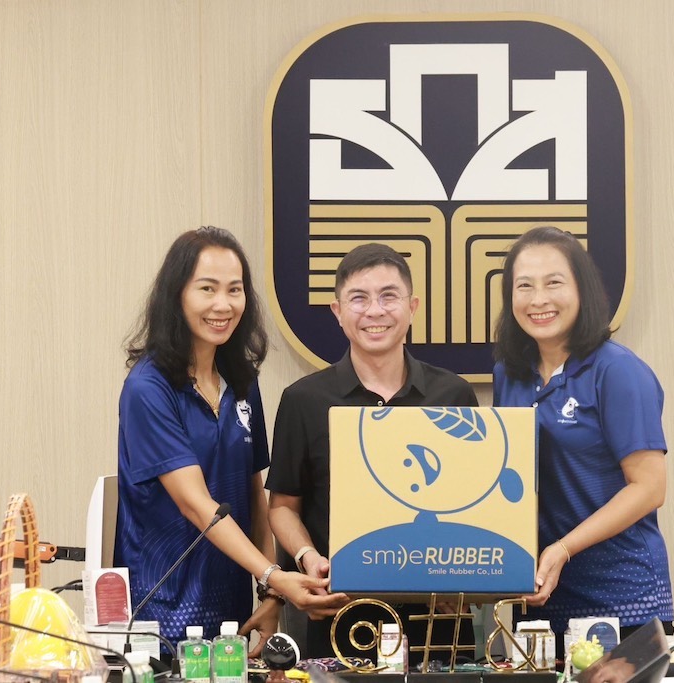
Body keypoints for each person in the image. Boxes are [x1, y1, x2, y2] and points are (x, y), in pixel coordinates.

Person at [115, 226, 347, 650]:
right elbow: (196, 504)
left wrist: (271, 593)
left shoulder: (241, 381)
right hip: (162, 614)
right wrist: (274, 574)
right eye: (207, 288)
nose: (223, 305)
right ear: (176, 295)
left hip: (232, 609)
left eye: (234, 290)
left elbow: (253, 492)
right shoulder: (148, 388)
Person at [266, 243, 479, 663]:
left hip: (439, 619)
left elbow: (475, 504)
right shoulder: (303, 400)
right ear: (337, 311)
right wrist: (308, 557)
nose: (375, 311)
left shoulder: (454, 395)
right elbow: (283, 506)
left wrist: (466, 576)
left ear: (412, 307)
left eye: (388, 296)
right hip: (340, 617)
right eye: (359, 298)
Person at [492, 226, 674, 653]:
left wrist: (563, 549)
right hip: (539, 595)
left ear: (582, 290)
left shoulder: (617, 370)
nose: (538, 299)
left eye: (554, 283)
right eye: (524, 286)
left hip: (621, 598)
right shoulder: (509, 374)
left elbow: (649, 487)